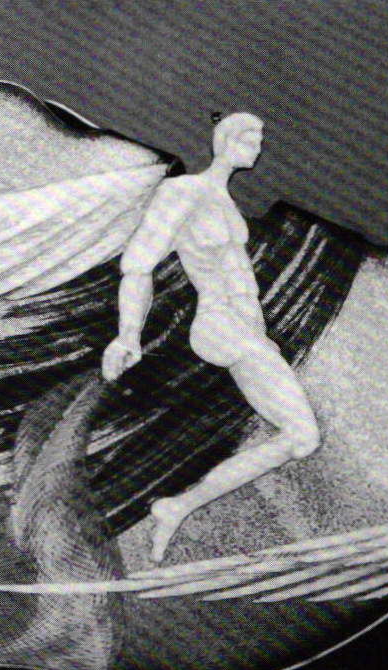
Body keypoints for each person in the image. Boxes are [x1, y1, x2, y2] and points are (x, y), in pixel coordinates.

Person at [102, 112, 320, 563]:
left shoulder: (224, 201)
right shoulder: (184, 192)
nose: (257, 148)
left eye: (259, 140)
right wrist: (127, 334)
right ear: (224, 140)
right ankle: (178, 507)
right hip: (222, 323)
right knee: (302, 435)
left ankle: (178, 506)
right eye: (248, 139)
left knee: (300, 438)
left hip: (248, 327)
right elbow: (139, 264)